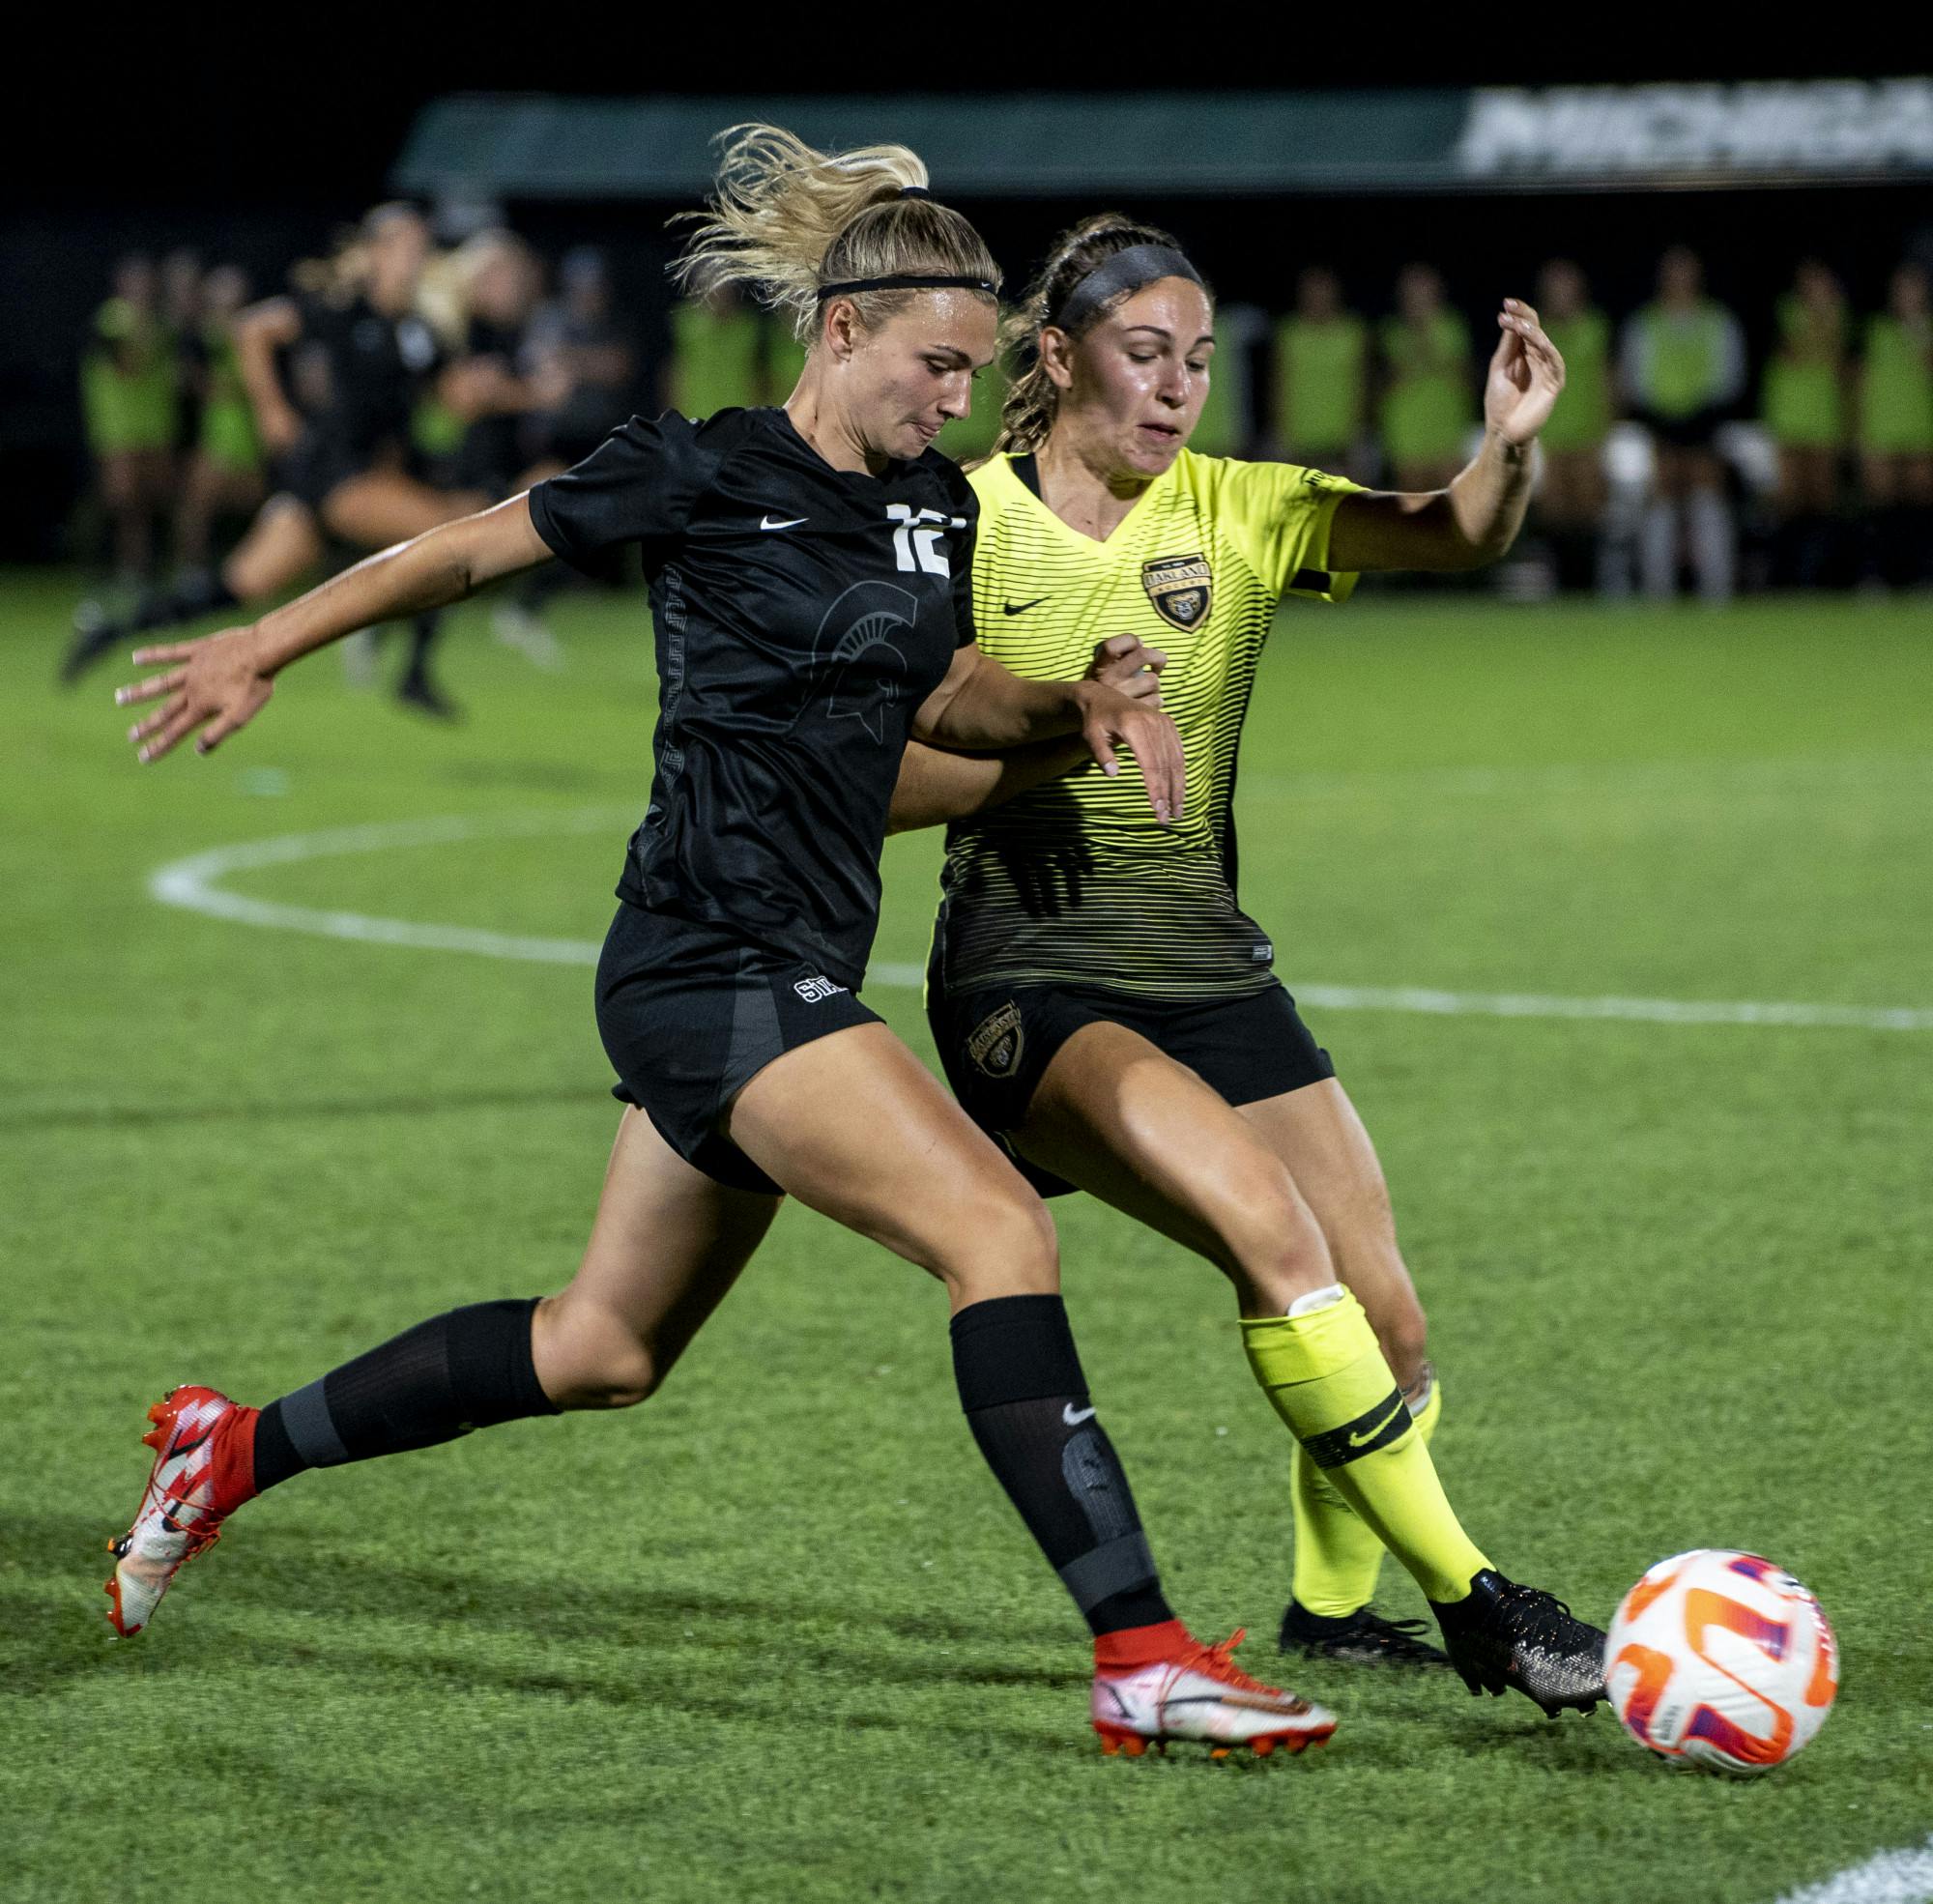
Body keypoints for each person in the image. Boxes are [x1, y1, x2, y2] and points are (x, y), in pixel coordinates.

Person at [102, 127, 1336, 1762]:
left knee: (601, 1350)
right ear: (843, 333)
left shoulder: (925, 515)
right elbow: (462, 549)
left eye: (972, 376)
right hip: (710, 961)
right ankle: (1143, 1658)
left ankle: (231, 1451)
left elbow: (950, 694)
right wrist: (266, 638)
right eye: (935, 368)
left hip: (790, 964)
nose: (955, 402)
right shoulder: (701, 471)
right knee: (997, 1235)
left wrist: (1074, 699)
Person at [887, 215, 1608, 1716]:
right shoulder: (963, 522)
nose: (1177, 391)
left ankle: (1332, 1609)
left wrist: (1513, 446)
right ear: (1060, 355)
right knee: (1276, 1237)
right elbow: (875, 778)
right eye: (1146, 356)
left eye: (1201, 363)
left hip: (1209, 965)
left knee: (1386, 1316)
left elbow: (1457, 530)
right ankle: (1482, 1599)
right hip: (1033, 981)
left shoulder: (1245, 506)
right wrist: (1050, 739)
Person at [63, 205, 487, 716]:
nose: (415, 257)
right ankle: (409, 667)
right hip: (334, 474)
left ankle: (110, 631)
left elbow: (448, 398)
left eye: (421, 247)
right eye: (403, 246)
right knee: (442, 533)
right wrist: (271, 411)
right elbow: (252, 331)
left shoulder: (418, 332)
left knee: (236, 585)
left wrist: (480, 388)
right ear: (372, 253)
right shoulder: (341, 308)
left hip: (352, 482)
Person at [1620, 246, 1745, 602]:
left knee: (1707, 491)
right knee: (1661, 495)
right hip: (1659, 424)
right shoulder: (1645, 323)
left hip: (1706, 423)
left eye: (1686, 272)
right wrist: (1663, 423)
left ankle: (1716, 593)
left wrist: (1699, 420)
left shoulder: (1718, 321)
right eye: (1673, 273)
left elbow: (1731, 377)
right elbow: (1634, 381)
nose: (1680, 281)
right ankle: (1658, 593)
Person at [77, 255, 178, 592]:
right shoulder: (112, 318)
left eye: (146, 280)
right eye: (135, 280)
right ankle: (118, 569)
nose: (142, 287)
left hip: (155, 426)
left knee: (154, 501)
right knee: (123, 502)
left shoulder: (162, 322)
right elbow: (127, 361)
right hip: (118, 428)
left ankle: (149, 569)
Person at [1761, 260, 1850, 588]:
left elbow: (1841, 363)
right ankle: (1783, 579)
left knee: (1822, 497)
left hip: (1825, 417)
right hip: (1789, 416)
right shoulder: (1785, 311)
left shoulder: (1843, 316)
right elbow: (1793, 351)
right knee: (1788, 498)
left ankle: (1825, 578)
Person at [174, 264, 267, 574]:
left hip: (253, 434)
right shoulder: (202, 334)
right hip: (214, 433)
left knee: (265, 506)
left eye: (232, 288)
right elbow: (191, 381)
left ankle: (253, 570)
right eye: (220, 289)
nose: (226, 296)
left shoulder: (255, 330)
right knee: (197, 506)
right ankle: (193, 570)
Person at [1531, 260, 1612, 591]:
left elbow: (1608, 379)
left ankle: (1592, 586)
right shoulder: (1534, 331)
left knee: (1588, 509)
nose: (1561, 294)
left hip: (1588, 433)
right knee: (1553, 512)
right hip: (1547, 434)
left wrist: (1609, 425)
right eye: (1555, 287)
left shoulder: (1595, 327)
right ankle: (1556, 586)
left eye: (1567, 286)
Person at [1856, 261, 1933, 590]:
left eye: (1914, 290)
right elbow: (1861, 380)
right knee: (1881, 505)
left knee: (1921, 503)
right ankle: (1877, 576)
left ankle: (1922, 575)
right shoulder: (1875, 329)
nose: (1907, 296)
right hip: (1881, 429)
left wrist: (1918, 332)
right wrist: (1859, 430)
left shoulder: (1928, 329)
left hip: (1922, 428)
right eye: (1902, 290)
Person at [1377, 264, 1475, 494]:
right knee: (1413, 507)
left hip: (1448, 430)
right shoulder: (1390, 330)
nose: (1418, 294)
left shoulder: (1454, 326)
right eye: (1411, 288)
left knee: (1450, 506)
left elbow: (1466, 376)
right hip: (1406, 433)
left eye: (1424, 287)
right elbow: (1384, 381)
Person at [1270, 266, 1367, 477]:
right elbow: (1279, 384)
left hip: (1342, 440)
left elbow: (1361, 384)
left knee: (1346, 506)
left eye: (1323, 292)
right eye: (1311, 292)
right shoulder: (1289, 332)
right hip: (1298, 440)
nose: (1317, 299)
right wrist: (1280, 435)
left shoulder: (1352, 331)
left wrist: (1358, 435)